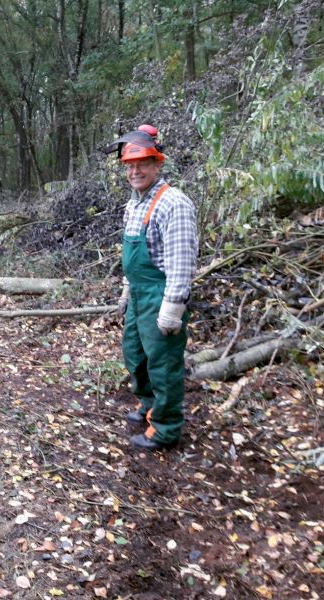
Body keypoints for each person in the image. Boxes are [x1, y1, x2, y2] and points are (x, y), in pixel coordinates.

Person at [105, 125, 198, 450]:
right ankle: (148, 405)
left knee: (163, 363)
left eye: (142, 163)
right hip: (139, 295)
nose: (135, 171)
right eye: (130, 166)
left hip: (161, 295)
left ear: (157, 164)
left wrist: (172, 311)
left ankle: (166, 427)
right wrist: (126, 291)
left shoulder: (173, 203)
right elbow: (130, 259)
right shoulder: (134, 204)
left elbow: (182, 263)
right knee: (136, 355)